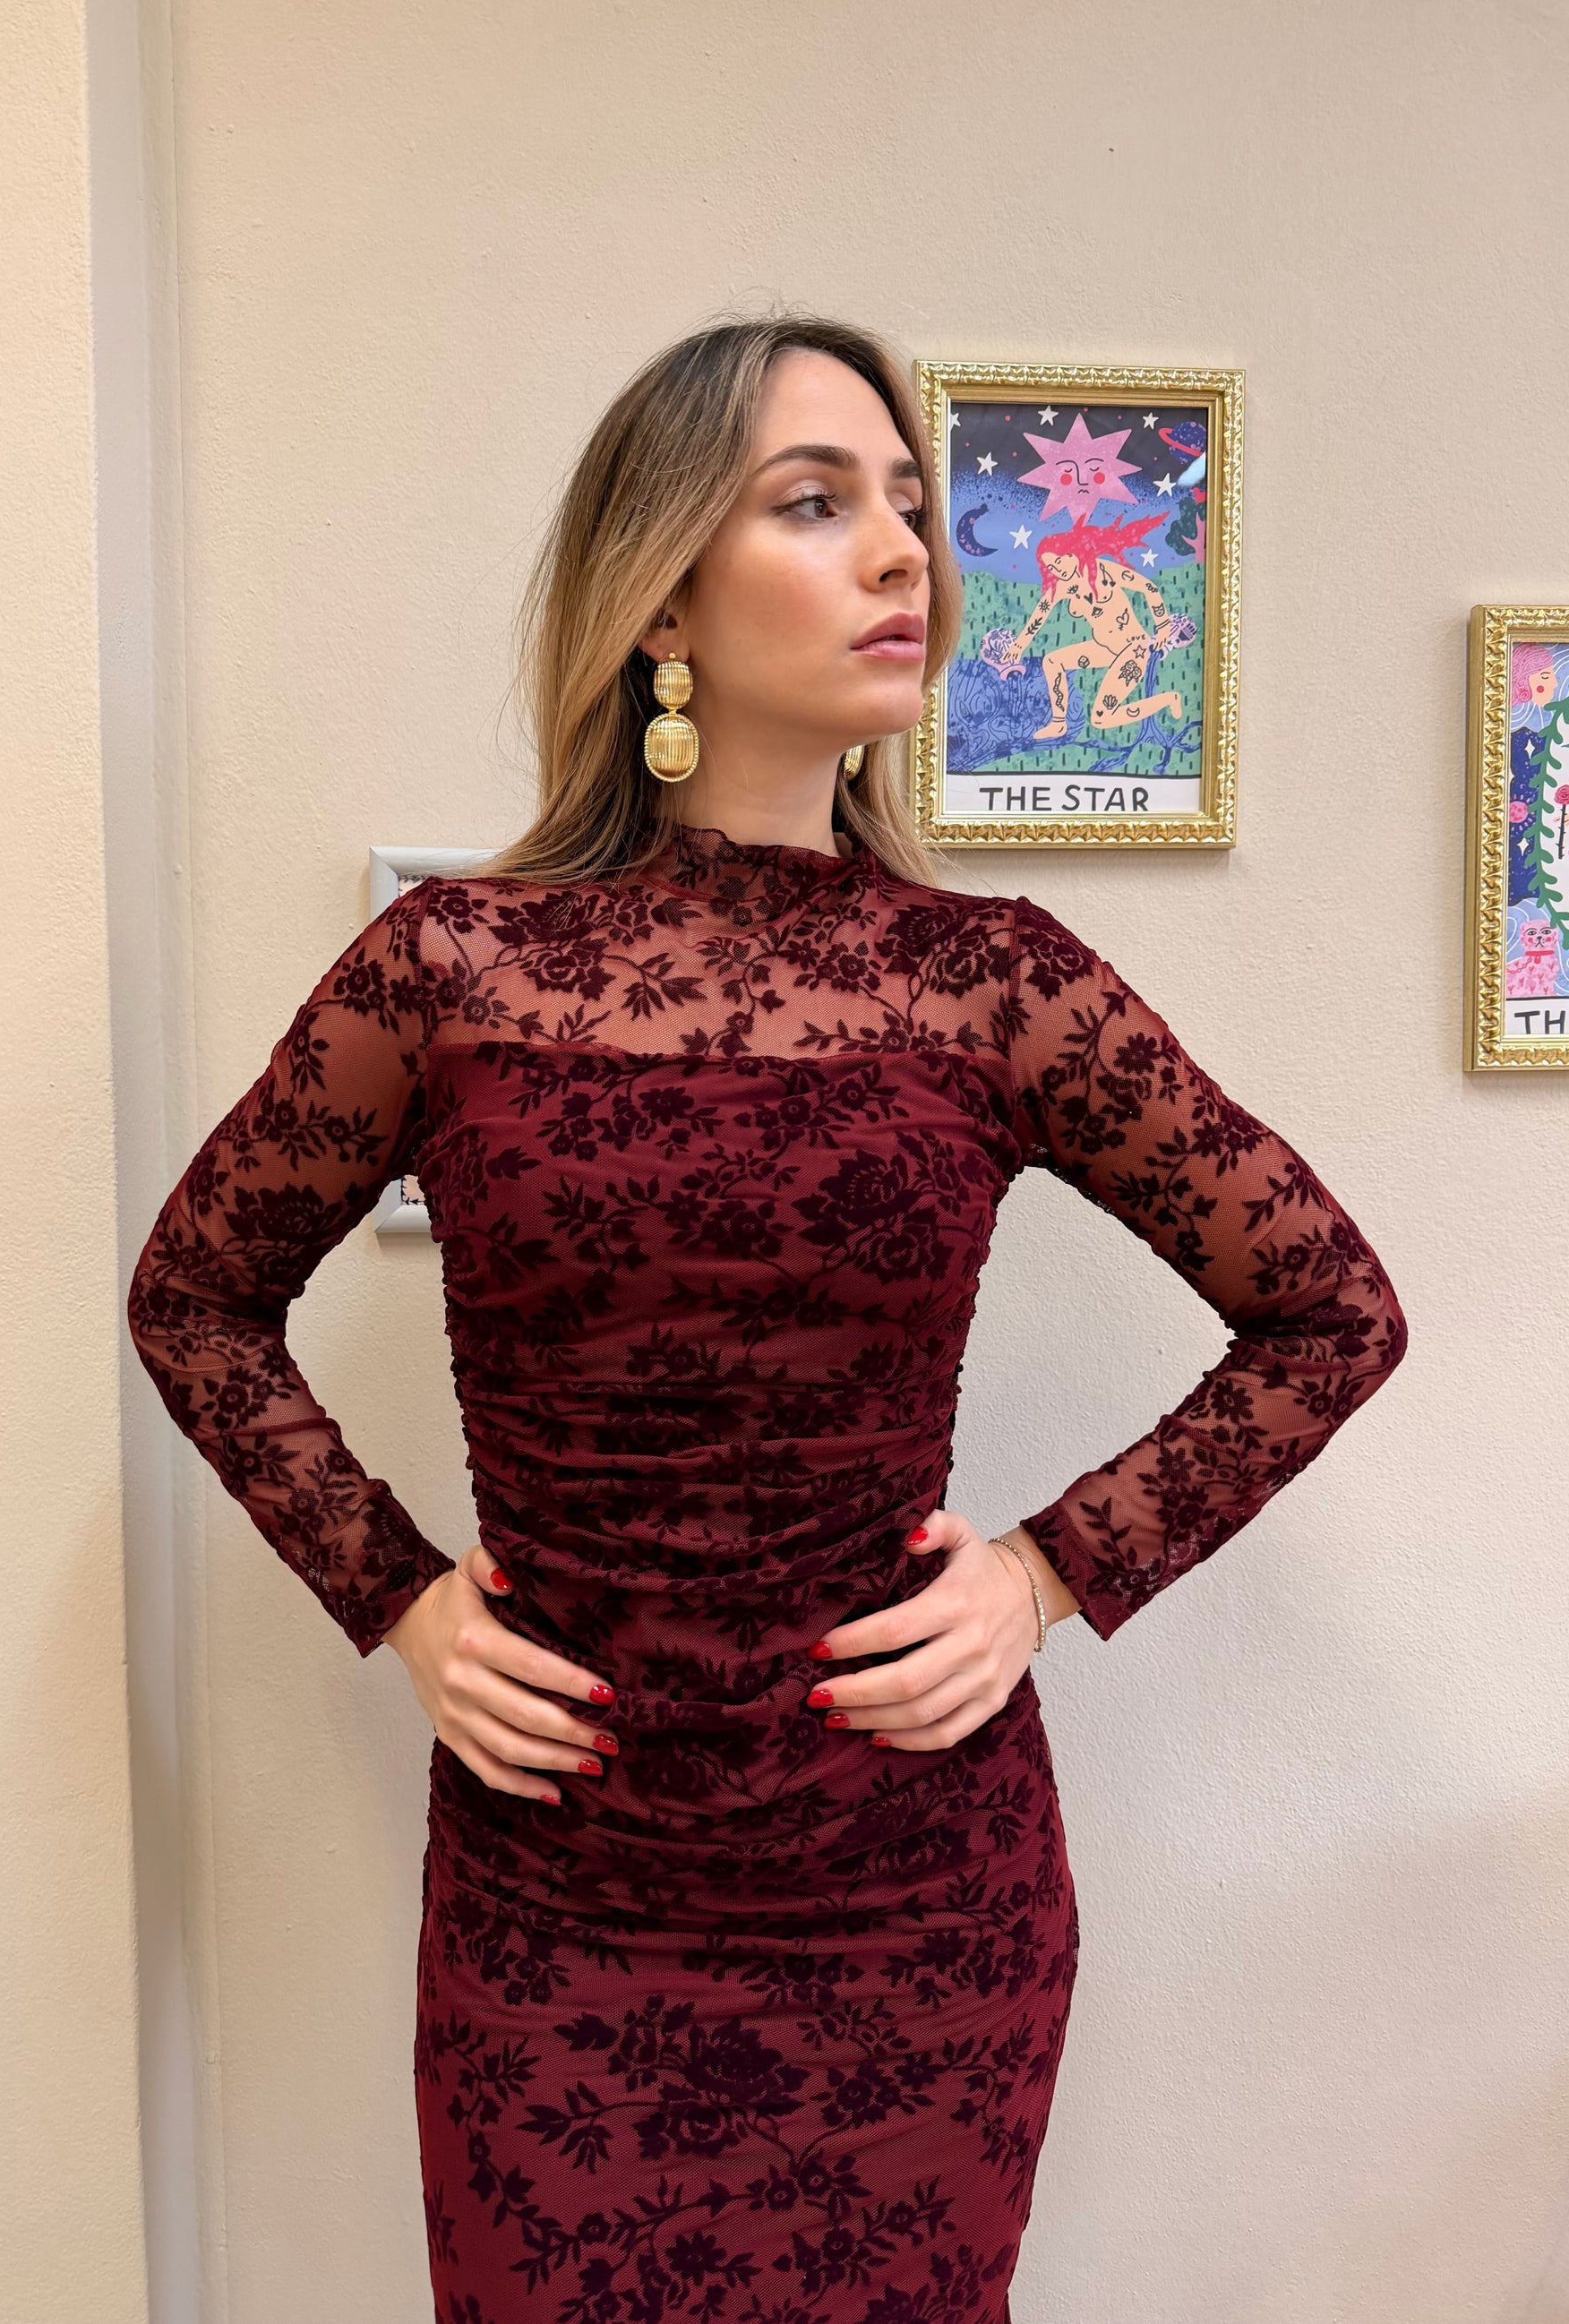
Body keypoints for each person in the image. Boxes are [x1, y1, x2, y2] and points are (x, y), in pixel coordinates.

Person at [126, 314, 1409, 2322]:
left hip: (916, 1897)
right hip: (559, 1900)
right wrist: (403, 1602)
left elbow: (1330, 1310)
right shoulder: (449, 969)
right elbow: (194, 1296)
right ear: (661, 599)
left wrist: (1044, 1576)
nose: (906, 551)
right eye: (816, 503)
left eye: (908, 504)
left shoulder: (995, 981)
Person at [990, 510, 1188, 740]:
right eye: (1051, 567)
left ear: (1071, 553)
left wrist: (1163, 627)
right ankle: (1058, 724)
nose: (1057, 569)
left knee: (1101, 718)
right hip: (1104, 648)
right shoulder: (1061, 587)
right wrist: (1019, 646)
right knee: (1052, 661)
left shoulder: (1103, 571)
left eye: (1058, 561)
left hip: (1134, 649)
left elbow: (1149, 588)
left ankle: (1168, 699)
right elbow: (1039, 615)